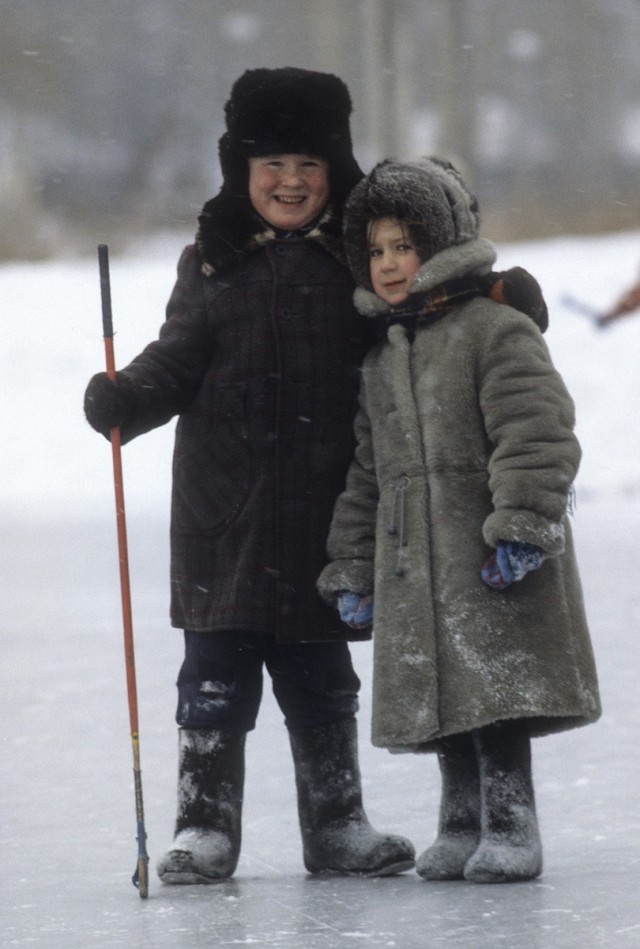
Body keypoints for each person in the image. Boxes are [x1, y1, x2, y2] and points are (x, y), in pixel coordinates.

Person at [84, 67, 417, 883]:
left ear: (336, 167)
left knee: (322, 684)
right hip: (222, 519)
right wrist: (128, 395)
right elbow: (176, 359)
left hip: (321, 518)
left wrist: (502, 292)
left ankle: (337, 823)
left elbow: (427, 308)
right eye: (272, 165)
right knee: (213, 683)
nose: (291, 182)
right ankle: (205, 828)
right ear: (241, 170)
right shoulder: (211, 262)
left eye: (309, 163)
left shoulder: (357, 260)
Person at [317, 157, 602, 884]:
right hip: (415, 561)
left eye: (403, 246)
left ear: (439, 245)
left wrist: (522, 524)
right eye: (376, 250)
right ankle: (461, 819)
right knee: (446, 696)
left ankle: (511, 822)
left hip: (486, 552)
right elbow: (365, 474)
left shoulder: (493, 330)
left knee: (495, 690)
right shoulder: (382, 356)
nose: (387, 264)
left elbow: (537, 431)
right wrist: (353, 562)